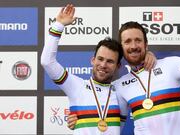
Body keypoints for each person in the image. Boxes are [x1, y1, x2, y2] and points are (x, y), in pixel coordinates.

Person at [68, 21, 180, 135]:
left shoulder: (171, 64)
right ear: (122, 48)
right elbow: (111, 125)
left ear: (146, 44)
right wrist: (79, 120)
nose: (133, 46)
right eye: (127, 41)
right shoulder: (119, 86)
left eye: (138, 40)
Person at [41, 4, 156, 135]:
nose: (103, 65)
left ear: (118, 66)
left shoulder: (122, 89)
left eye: (110, 61)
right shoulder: (76, 86)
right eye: (100, 59)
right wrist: (58, 25)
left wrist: (147, 55)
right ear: (92, 60)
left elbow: (147, 81)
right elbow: (47, 62)